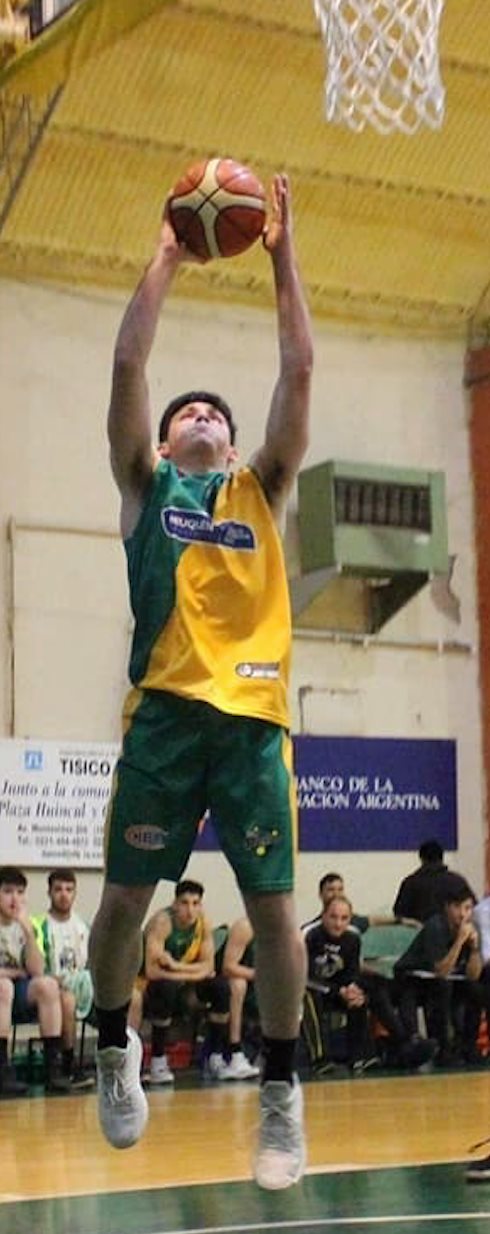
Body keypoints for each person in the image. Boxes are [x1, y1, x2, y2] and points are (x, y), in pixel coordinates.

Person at [88, 172, 313, 1190]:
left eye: (218, 414)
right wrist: (169, 257)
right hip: (166, 723)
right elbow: (129, 362)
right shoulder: (147, 487)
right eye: (190, 411)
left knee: (274, 912)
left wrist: (283, 257)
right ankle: (112, 1045)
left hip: (252, 723)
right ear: (167, 437)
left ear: (232, 441)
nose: (207, 418)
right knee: (122, 904)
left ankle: (280, 1091)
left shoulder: (261, 488)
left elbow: (297, 368)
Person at [143, 879, 232, 1082]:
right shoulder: (162, 923)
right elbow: (151, 971)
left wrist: (175, 966)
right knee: (165, 988)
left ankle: (215, 1056)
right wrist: (191, 972)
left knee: (221, 987)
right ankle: (158, 1060)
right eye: (184, 903)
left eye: (195, 903)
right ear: (175, 904)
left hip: (181, 980)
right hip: (154, 985)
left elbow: (209, 967)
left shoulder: (203, 923)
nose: (190, 910)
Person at [394, 889, 490, 1067]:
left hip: (445, 980)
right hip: (412, 979)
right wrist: (459, 941)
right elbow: (441, 970)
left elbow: (472, 975)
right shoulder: (436, 926)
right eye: (457, 907)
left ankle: (469, 1046)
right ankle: (443, 1049)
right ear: (447, 908)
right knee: (443, 987)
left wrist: (474, 949)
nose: (462, 913)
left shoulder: (471, 927)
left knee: (476, 990)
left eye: (467, 908)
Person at [0, 866, 70, 1094]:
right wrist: (11, 973)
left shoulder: (28, 925)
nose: (15, 899)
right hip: (4, 988)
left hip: (19, 992)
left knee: (48, 985)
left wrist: (29, 933)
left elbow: (37, 970)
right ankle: (2, 1069)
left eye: (20, 892)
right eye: (8, 892)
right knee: (3, 986)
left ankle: (53, 1068)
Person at [302, 894, 379, 1076]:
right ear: (323, 916)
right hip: (312, 988)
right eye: (333, 917)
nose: (338, 924)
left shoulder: (353, 938)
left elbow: (352, 973)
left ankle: (358, 1057)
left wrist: (352, 990)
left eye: (344, 918)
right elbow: (306, 977)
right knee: (310, 997)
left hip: (339, 991)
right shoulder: (310, 935)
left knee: (359, 997)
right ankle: (320, 1059)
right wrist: (338, 991)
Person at [32, 868, 95, 1089]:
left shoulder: (83, 926)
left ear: (75, 893)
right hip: (52, 987)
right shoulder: (39, 925)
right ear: (49, 893)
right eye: (58, 889)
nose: (64, 895)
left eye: (69, 890)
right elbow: (37, 968)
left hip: (82, 984)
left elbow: (91, 963)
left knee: (129, 997)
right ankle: (68, 1064)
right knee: (67, 1000)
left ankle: (121, 1064)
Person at [392, 840, 476, 924]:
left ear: (421, 858)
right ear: (442, 857)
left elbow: (399, 914)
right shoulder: (457, 881)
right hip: (453, 930)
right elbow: (473, 907)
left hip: (420, 930)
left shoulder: (410, 883)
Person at [220, 915, 261, 1079]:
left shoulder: (283, 929)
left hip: (264, 988)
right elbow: (228, 967)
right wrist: (261, 975)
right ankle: (235, 1052)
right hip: (240, 986)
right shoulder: (245, 927)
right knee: (238, 985)